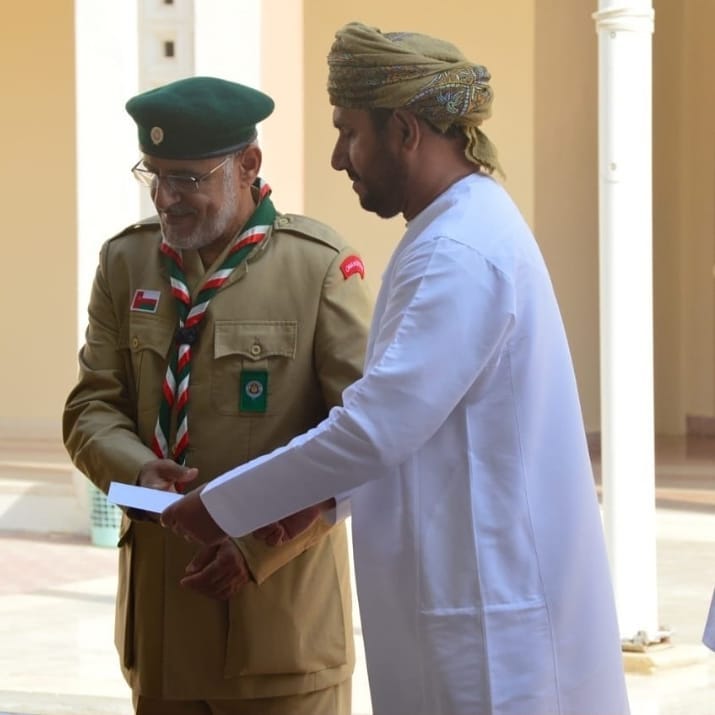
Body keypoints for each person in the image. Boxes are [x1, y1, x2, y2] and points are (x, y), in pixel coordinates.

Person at [161, 23, 631, 715]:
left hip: (489, 633)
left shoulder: (457, 251)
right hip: (463, 600)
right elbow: (412, 424)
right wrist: (319, 500)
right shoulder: (453, 229)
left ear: (404, 131)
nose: (337, 158)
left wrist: (224, 504)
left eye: (348, 133)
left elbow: (374, 429)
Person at [63, 76, 372, 715]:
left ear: (248, 165)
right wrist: (137, 470)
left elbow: (361, 443)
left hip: (281, 637)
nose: (165, 198)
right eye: (153, 175)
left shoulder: (318, 268)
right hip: (162, 636)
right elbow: (90, 408)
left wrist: (257, 549)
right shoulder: (125, 262)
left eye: (186, 178)